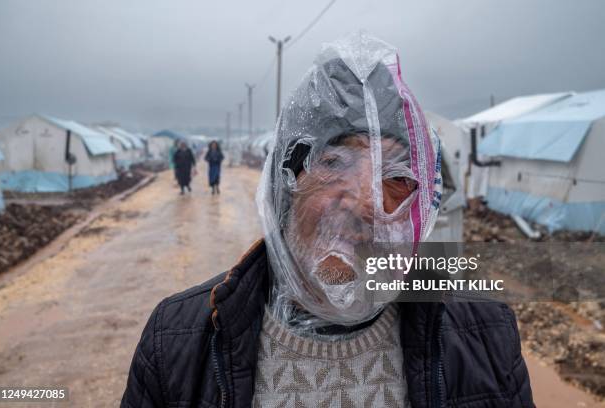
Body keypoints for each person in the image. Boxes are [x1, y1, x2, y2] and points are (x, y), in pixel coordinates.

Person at [122, 33, 534, 408]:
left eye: (395, 177)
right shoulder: (178, 341)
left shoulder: (485, 335)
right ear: (284, 186)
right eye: (335, 163)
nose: (366, 202)